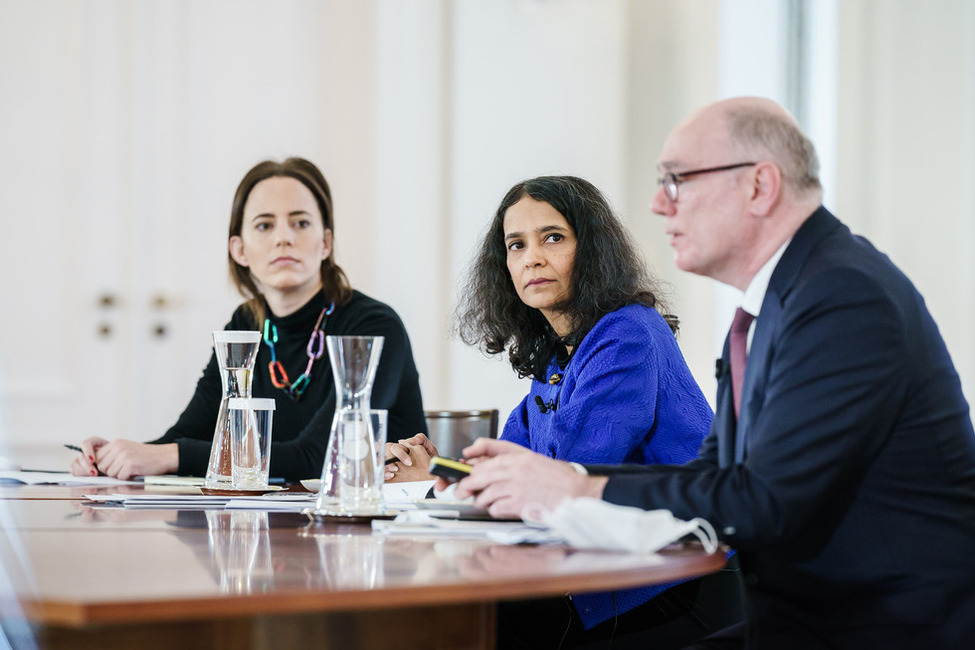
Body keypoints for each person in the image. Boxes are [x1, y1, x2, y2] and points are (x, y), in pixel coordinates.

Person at [451, 97, 975, 648]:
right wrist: (567, 483)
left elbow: (766, 501)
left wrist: (575, 488)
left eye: (679, 180)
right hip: (808, 616)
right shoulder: (770, 306)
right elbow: (711, 473)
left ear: (758, 186)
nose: (658, 204)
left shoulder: (842, 296)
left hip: (887, 626)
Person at [388, 176, 741, 647]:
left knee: (459, 622)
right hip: (604, 576)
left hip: (674, 585)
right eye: (516, 245)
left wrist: (433, 488)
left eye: (552, 238)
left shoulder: (628, 335)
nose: (532, 257)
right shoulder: (559, 357)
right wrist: (438, 471)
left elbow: (557, 481)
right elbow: (507, 461)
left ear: (592, 249)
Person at [70, 157, 427, 481]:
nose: (284, 238)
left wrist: (168, 455)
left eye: (301, 223)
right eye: (264, 225)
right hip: (279, 527)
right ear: (239, 249)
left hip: (373, 530)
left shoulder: (374, 328)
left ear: (325, 243)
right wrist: (114, 458)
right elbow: (188, 436)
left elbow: (322, 456)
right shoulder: (245, 324)